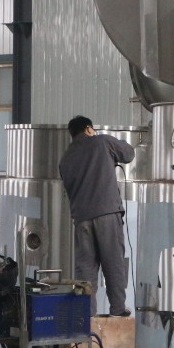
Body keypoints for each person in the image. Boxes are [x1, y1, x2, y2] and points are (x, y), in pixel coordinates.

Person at [59, 115, 136, 317]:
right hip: (107, 214)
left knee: (85, 270)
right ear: (88, 128)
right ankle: (118, 309)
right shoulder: (102, 142)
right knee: (113, 263)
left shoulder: (65, 159)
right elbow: (128, 154)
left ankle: (87, 315)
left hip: (81, 219)